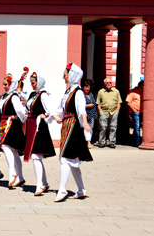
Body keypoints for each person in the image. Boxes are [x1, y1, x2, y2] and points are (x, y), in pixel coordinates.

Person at [52, 63, 93, 202]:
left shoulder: (78, 92)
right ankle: (81, 189)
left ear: (73, 75)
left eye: (65, 74)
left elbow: (81, 110)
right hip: (66, 125)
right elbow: (59, 109)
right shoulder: (68, 91)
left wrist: (85, 123)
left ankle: (62, 190)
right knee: (73, 160)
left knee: (65, 158)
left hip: (73, 127)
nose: (63, 76)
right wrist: (53, 116)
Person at [24, 72, 55, 196]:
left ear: (39, 82)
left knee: (36, 156)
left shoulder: (43, 95)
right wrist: (26, 113)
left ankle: (40, 185)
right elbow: (28, 107)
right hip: (31, 125)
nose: (32, 85)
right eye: (31, 83)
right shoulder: (33, 95)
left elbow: (50, 110)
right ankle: (44, 183)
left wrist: (45, 115)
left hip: (39, 127)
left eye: (33, 83)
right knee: (36, 156)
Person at [0, 73, 27, 188]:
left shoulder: (14, 96)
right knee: (13, 151)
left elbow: (20, 109)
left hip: (12, 125)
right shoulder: (7, 96)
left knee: (5, 146)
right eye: (3, 84)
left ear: (11, 84)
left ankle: (12, 173)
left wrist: (22, 117)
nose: (4, 87)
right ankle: (20, 177)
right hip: (6, 123)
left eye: (6, 85)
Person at [96, 78, 122, 148]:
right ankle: (102, 142)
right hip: (104, 112)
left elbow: (119, 102)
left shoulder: (116, 91)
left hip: (113, 112)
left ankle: (112, 142)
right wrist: (100, 111)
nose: (109, 84)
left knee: (113, 127)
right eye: (107, 83)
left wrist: (117, 111)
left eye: (110, 82)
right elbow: (98, 103)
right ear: (104, 84)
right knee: (103, 127)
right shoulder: (101, 92)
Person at [126, 80, 144, 147]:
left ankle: (134, 140)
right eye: (142, 87)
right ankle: (138, 142)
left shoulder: (143, 92)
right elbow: (128, 102)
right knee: (137, 127)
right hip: (136, 112)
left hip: (142, 112)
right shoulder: (132, 92)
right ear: (140, 86)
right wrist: (134, 110)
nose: (143, 88)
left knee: (139, 127)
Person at [82, 79, 97, 148]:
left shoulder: (91, 94)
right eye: (86, 87)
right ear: (83, 87)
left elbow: (94, 103)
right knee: (85, 128)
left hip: (92, 114)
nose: (87, 88)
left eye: (88, 87)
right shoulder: (81, 94)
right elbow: (80, 105)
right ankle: (87, 142)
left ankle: (89, 141)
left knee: (91, 128)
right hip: (84, 114)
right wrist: (88, 105)